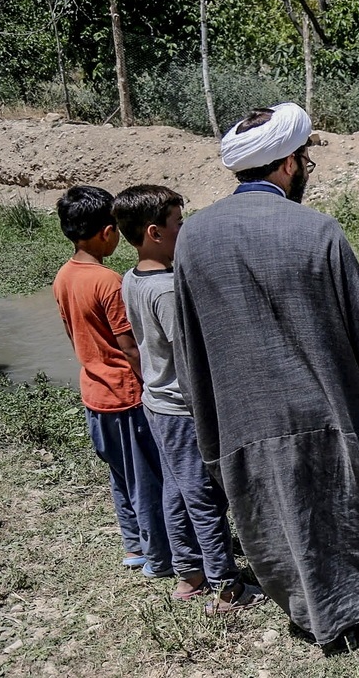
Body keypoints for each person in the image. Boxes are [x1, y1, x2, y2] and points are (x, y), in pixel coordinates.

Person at [172, 102, 359, 646]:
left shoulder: (193, 236)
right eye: (304, 159)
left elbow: (188, 339)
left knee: (276, 516)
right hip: (328, 408)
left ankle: (308, 610)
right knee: (352, 508)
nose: (305, 170)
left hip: (242, 411)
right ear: (287, 164)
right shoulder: (317, 230)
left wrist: (203, 410)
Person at [113, 184, 267, 615]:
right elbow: (193, 354)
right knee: (205, 498)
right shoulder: (165, 291)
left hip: (157, 402)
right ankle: (225, 586)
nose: (185, 230)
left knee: (177, 492)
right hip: (183, 409)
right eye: (179, 224)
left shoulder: (131, 278)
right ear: (154, 233)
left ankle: (189, 573)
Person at [52, 185, 172, 578]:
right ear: (107, 232)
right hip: (125, 395)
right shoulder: (107, 281)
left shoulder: (64, 276)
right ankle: (159, 559)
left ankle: (135, 546)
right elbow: (130, 347)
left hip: (94, 393)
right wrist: (151, 382)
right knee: (147, 481)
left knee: (121, 476)